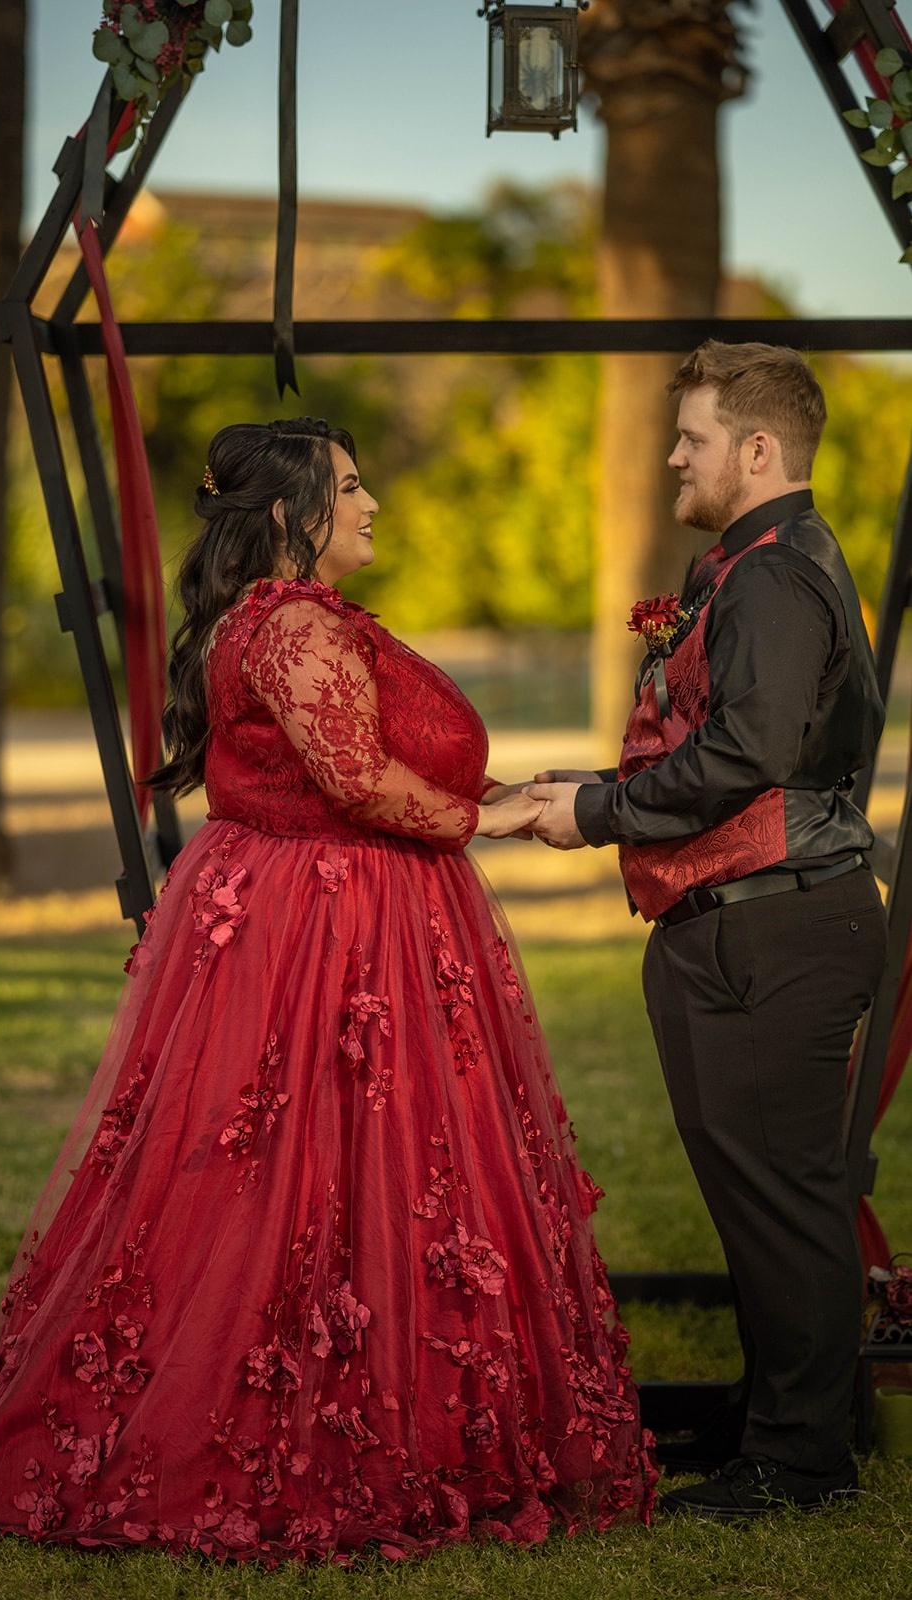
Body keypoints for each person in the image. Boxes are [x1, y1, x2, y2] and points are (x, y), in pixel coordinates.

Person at [0, 418, 655, 1562]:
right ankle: (282, 1414)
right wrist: (494, 816)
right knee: (294, 1162)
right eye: (351, 487)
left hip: (331, 903)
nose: (371, 505)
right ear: (288, 513)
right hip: (324, 922)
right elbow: (358, 779)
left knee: (351, 1161)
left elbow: (363, 756)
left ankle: (375, 1387)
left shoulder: (288, 621)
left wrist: (514, 787)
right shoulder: (294, 625)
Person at [527, 341, 887, 1520]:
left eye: (691, 437)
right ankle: (783, 1421)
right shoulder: (760, 569)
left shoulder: (776, 577)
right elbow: (723, 736)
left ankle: (801, 1466)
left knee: (787, 1200)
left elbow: (749, 757)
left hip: (773, 932)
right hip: (747, 927)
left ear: (757, 449)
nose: (673, 454)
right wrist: (585, 782)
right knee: (767, 1197)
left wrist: (600, 812)